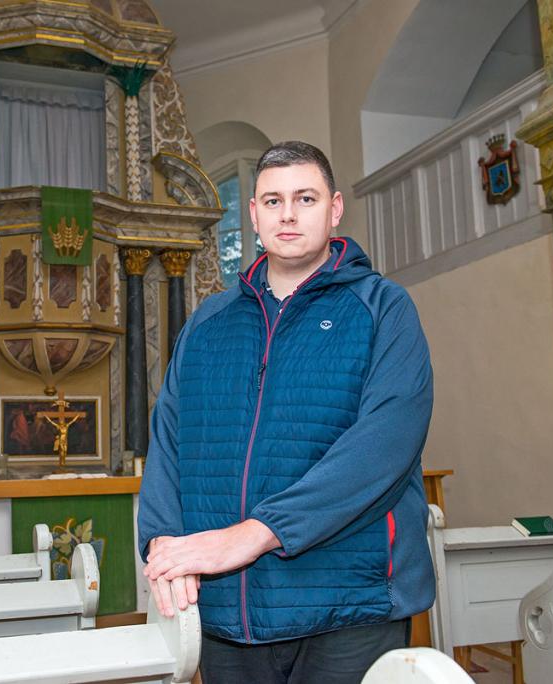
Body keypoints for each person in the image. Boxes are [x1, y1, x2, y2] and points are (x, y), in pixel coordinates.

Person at [137, 141, 435, 683]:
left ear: (335, 208)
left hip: (348, 603)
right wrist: (162, 541)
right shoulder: (209, 322)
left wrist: (256, 532)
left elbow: (385, 446)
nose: (289, 214)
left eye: (306, 198)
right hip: (229, 613)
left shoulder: (382, 308)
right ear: (252, 215)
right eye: (272, 201)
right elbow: (168, 441)